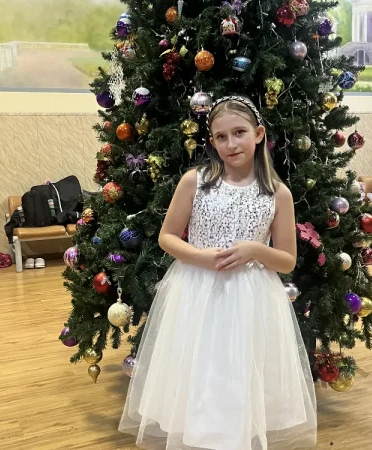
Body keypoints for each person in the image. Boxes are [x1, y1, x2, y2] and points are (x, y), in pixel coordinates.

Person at [119, 96, 317, 449]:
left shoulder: (277, 193)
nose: (231, 144)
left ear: (258, 134)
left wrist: (254, 250)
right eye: (221, 137)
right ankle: (200, 434)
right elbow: (166, 237)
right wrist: (200, 257)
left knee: (239, 367)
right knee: (201, 365)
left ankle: (234, 436)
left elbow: (287, 260)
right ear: (211, 141)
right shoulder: (195, 181)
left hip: (251, 296)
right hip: (197, 289)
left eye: (239, 133)